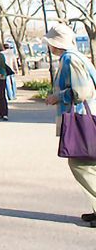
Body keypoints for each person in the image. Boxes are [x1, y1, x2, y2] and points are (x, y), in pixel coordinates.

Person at [44, 23, 96, 228]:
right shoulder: (78, 56)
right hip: (89, 116)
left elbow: (81, 92)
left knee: (80, 163)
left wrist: (57, 97)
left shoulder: (69, 59)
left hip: (83, 118)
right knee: (88, 163)